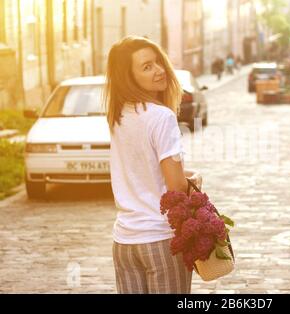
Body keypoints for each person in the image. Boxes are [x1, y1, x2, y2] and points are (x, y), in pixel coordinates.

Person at [104, 35, 201, 294]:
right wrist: (194, 180)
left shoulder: (117, 113)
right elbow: (176, 189)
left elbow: (140, 168)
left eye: (158, 62)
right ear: (129, 77)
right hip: (159, 239)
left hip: (125, 242)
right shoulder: (162, 117)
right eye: (147, 67)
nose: (159, 70)